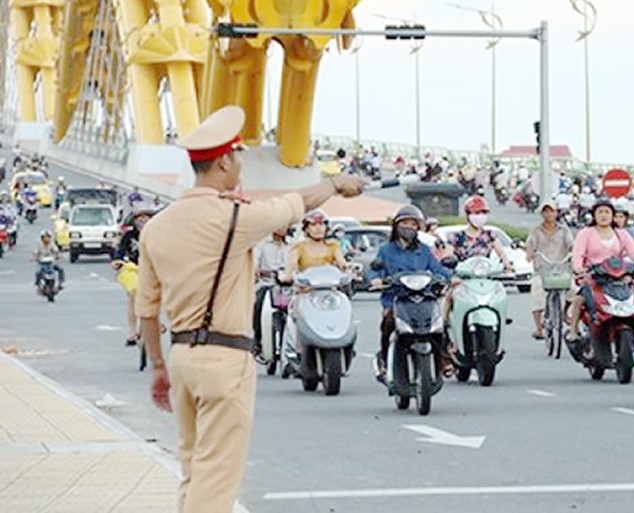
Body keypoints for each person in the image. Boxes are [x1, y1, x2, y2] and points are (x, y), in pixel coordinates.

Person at [135, 105, 366, 513]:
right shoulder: (233, 217)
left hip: (182, 358)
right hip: (224, 360)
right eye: (239, 153)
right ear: (224, 160)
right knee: (217, 477)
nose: (241, 161)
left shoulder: (156, 226)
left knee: (193, 467)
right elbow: (296, 202)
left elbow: (148, 310)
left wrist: (158, 366)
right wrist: (334, 183)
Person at [368, 205, 451, 381]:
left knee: (437, 327)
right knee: (388, 323)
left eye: (413, 224)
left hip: (424, 298)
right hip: (395, 299)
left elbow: (438, 269)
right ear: (396, 226)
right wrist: (375, 279)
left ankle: (443, 360)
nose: (409, 227)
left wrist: (451, 278)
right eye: (405, 223)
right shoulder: (386, 250)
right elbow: (374, 270)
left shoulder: (424, 251)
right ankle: (384, 359)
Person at [569, 198, 634, 337]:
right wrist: (579, 268)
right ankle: (573, 331)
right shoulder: (585, 233)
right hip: (594, 277)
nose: (604, 215)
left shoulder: (621, 234)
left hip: (618, 277)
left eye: (607, 212)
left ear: (612, 215)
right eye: (600, 212)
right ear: (594, 215)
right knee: (580, 299)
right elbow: (577, 255)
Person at [525, 200, 574, 339]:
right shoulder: (536, 231)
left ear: (556, 212)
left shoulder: (564, 230)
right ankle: (539, 328)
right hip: (542, 270)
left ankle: (564, 313)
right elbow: (530, 245)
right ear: (542, 213)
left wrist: (574, 252)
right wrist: (530, 254)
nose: (549, 214)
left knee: (574, 289)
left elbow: (571, 244)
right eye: (546, 211)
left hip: (562, 269)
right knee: (537, 293)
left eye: (551, 211)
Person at [112, 203, 157, 346]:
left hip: (153, 270)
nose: (142, 221)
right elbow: (119, 252)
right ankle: (132, 332)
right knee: (133, 294)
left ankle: (156, 322)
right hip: (133, 269)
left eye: (146, 218)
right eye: (139, 218)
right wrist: (117, 261)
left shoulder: (158, 235)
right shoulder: (129, 236)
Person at [447, 196, 513, 272]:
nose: (480, 216)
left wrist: (506, 263)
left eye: (484, 213)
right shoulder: (456, 237)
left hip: (486, 276)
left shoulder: (490, 235)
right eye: (477, 213)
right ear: (467, 215)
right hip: (462, 278)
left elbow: (501, 253)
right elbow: (448, 256)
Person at [281, 209, 347, 281]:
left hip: (329, 288)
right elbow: (290, 269)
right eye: (313, 224)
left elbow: (343, 264)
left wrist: (348, 270)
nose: (318, 228)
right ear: (306, 229)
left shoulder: (332, 246)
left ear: (326, 227)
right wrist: (287, 277)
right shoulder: (299, 247)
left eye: (321, 224)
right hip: (306, 290)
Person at [252, 229, 289, 353]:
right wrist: (256, 271)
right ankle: (257, 339)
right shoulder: (262, 243)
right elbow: (255, 261)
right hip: (267, 285)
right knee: (258, 304)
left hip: (289, 287)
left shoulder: (294, 243)